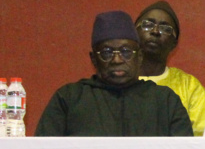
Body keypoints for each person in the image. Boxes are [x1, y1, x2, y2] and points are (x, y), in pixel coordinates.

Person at [36, 11, 193, 137]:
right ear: (94, 59)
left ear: (139, 57)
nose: (117, 60)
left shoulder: (165, 101)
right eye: (106, 52)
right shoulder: (69, 99)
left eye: (126, 52)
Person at [135, 0, 205, 136]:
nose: (155, 31)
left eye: (165, 28)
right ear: (134, 33)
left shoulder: (189, 86)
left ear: (174, 43)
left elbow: (203, 139)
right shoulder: (118, 82)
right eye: (148, 25)